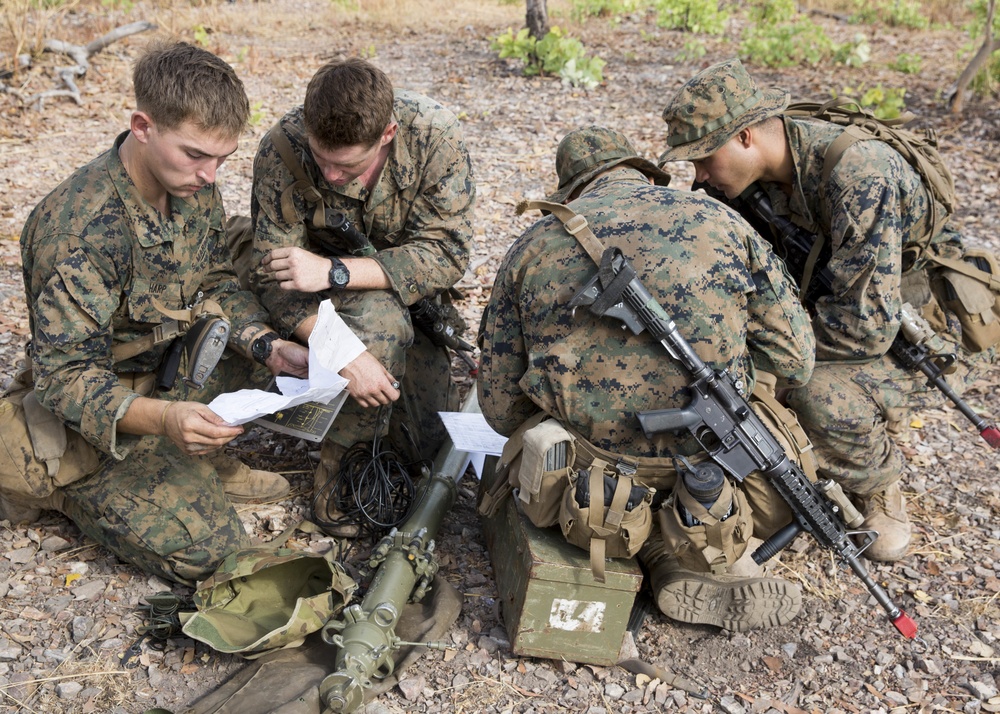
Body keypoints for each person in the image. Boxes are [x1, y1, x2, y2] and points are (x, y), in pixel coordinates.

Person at [478, 126, 817, 631]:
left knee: (543, 442)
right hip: (719, 463)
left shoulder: (534, 245)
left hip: (584, 488)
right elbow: (795, 360)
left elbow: (500, 408)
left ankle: (644, 546)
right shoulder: (723, 222)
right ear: (647, 176)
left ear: (571, 193)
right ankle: (695, 541)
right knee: (760, 395)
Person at [659, 58, 998, 562]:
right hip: (832, 299)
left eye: (705, 159)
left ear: (747, 138)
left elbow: (864, 329)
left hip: (921, 324)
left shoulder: (861, 175)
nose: (700, 174)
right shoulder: (748, 178)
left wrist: (760, 362)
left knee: (810, 391)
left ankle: (877, 479)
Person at [11, 41, 309, 585]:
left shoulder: (190, 187)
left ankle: (195, 460)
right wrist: (167, 420)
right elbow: (64, 379)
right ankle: (55, 484)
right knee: (211, 553)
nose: (210, 175)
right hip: (102, 406)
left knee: (274, 293)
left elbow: (215, 280)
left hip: (169, 362)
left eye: (223, 159)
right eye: (195, 155)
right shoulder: (78, 228)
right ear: (142, 126)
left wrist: (270, 346)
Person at [249, 58, 475, 535]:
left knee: (427, 449)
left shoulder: (434, 136)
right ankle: (344, 470)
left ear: (388, 132)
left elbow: (447, 254)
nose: (332, 175)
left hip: (402, 292)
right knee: (378, 323)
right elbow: (273, 278)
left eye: (348, 165)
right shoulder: (283, 148)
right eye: (322, 158)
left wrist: (333, 270)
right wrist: (343, 352)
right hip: (330, 308)